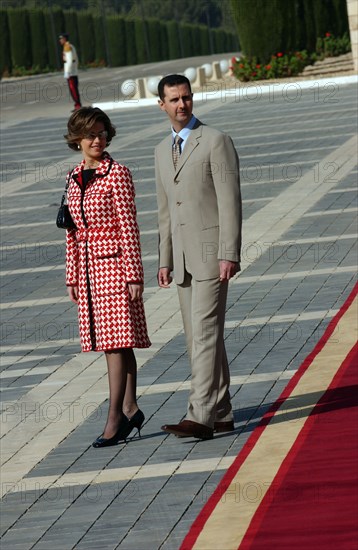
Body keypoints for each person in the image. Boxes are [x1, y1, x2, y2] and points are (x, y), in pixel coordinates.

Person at [155, 74, 242, 440]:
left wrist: (229, 252)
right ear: (161, 104)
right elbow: (164, 210)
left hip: (211, 256)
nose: (182, 105)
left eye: (186, 97)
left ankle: (200, 415)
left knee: (205, 335)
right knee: (199, 338)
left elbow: (229, 200)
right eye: (174, 99)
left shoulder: (216, 141)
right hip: (184, 263)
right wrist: (165, 259)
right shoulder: (161, 150)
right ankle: (221, 410)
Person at [64, 106, 151, 448]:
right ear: (77, 140)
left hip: (114, 268)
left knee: (115, 345)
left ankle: (114, 416)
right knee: (115, 345)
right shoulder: (73, 177)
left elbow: (130, 228)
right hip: (87, 271)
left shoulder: (118, 174)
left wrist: (133, 274)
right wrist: (72, 274)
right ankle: (130, 407)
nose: (97, 140)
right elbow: (70, 231)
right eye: (90, 135)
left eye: (101, 133)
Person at [59, 33, 82, 111]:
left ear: (64, 39)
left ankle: (78, 105)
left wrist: (67, 72)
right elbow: (76, 59)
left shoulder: (67, 47)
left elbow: (69, 60)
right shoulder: (70, 46)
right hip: (73, 71)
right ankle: (77, 105)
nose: (60, 41)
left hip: (71, 73)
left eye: (61, 39)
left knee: (73, 89)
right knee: (74, 89)